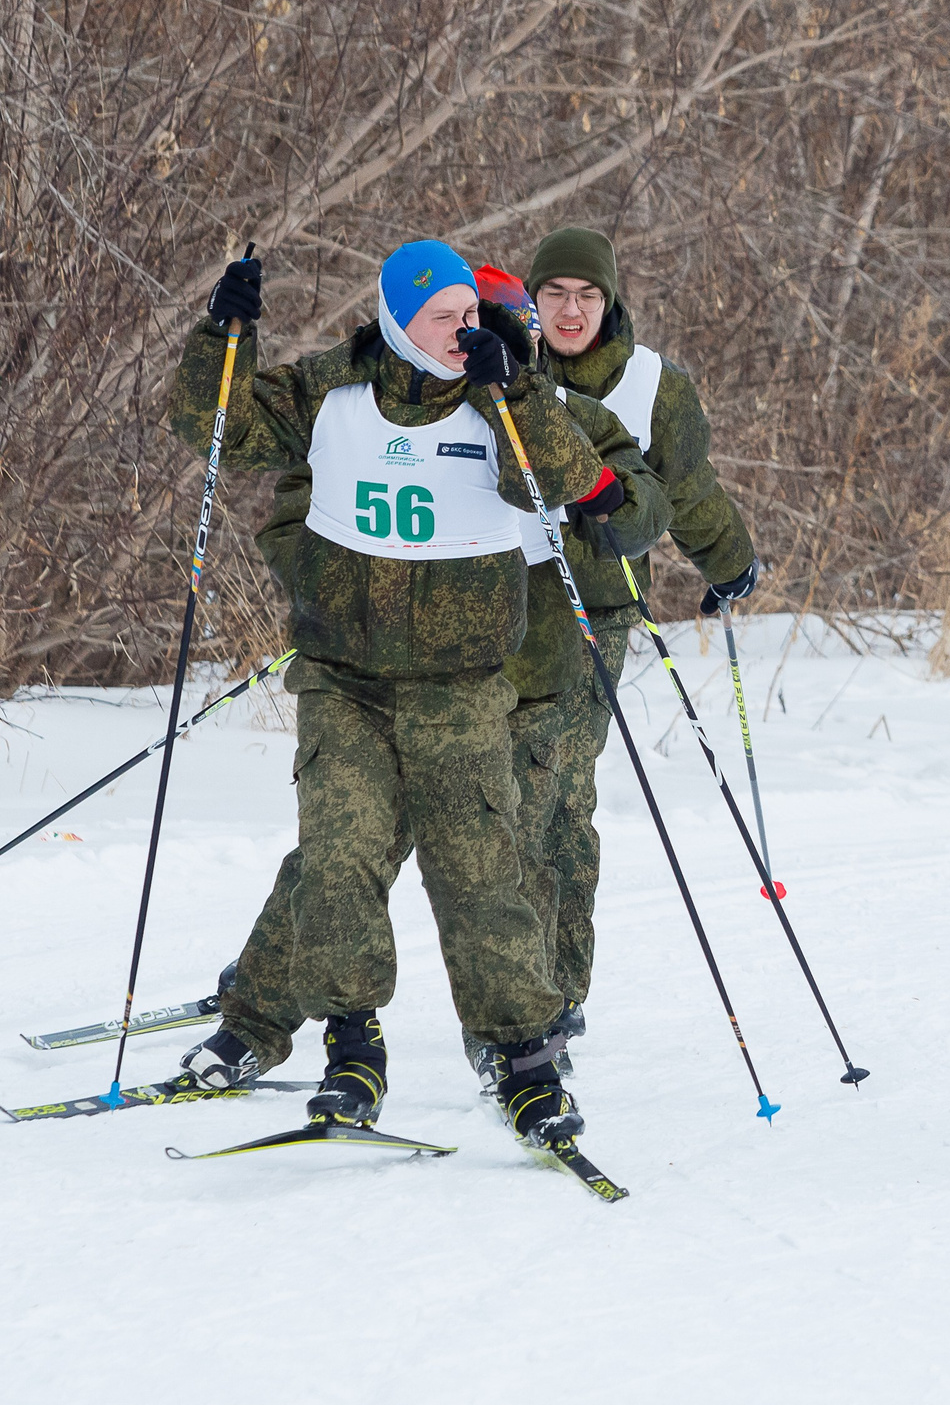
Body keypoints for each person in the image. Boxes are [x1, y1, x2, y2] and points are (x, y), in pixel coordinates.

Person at [164, 242, 639, 1146]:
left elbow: (574, 482)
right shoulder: (331, 391)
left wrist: (517, 388)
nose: (463, 329)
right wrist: (222, 333)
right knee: (337, 857)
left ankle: (526, 1061)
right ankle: (352, 1050)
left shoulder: (498, 394)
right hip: (345, 676)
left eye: (471, 312)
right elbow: (214, 421)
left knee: (477, 870)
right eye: (443, 318)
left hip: (460, 683)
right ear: (396, 322)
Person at [503, 226, 758, 1052]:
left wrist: (729, 563)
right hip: (492, 605)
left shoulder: (653, 385)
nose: (570, 311)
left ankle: (553, 989)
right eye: (554, 295)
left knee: (554, 792)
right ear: (533, 301)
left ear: (610, 303)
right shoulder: (500, 365)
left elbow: (687, 488)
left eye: (587, 296)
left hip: (595, 615)